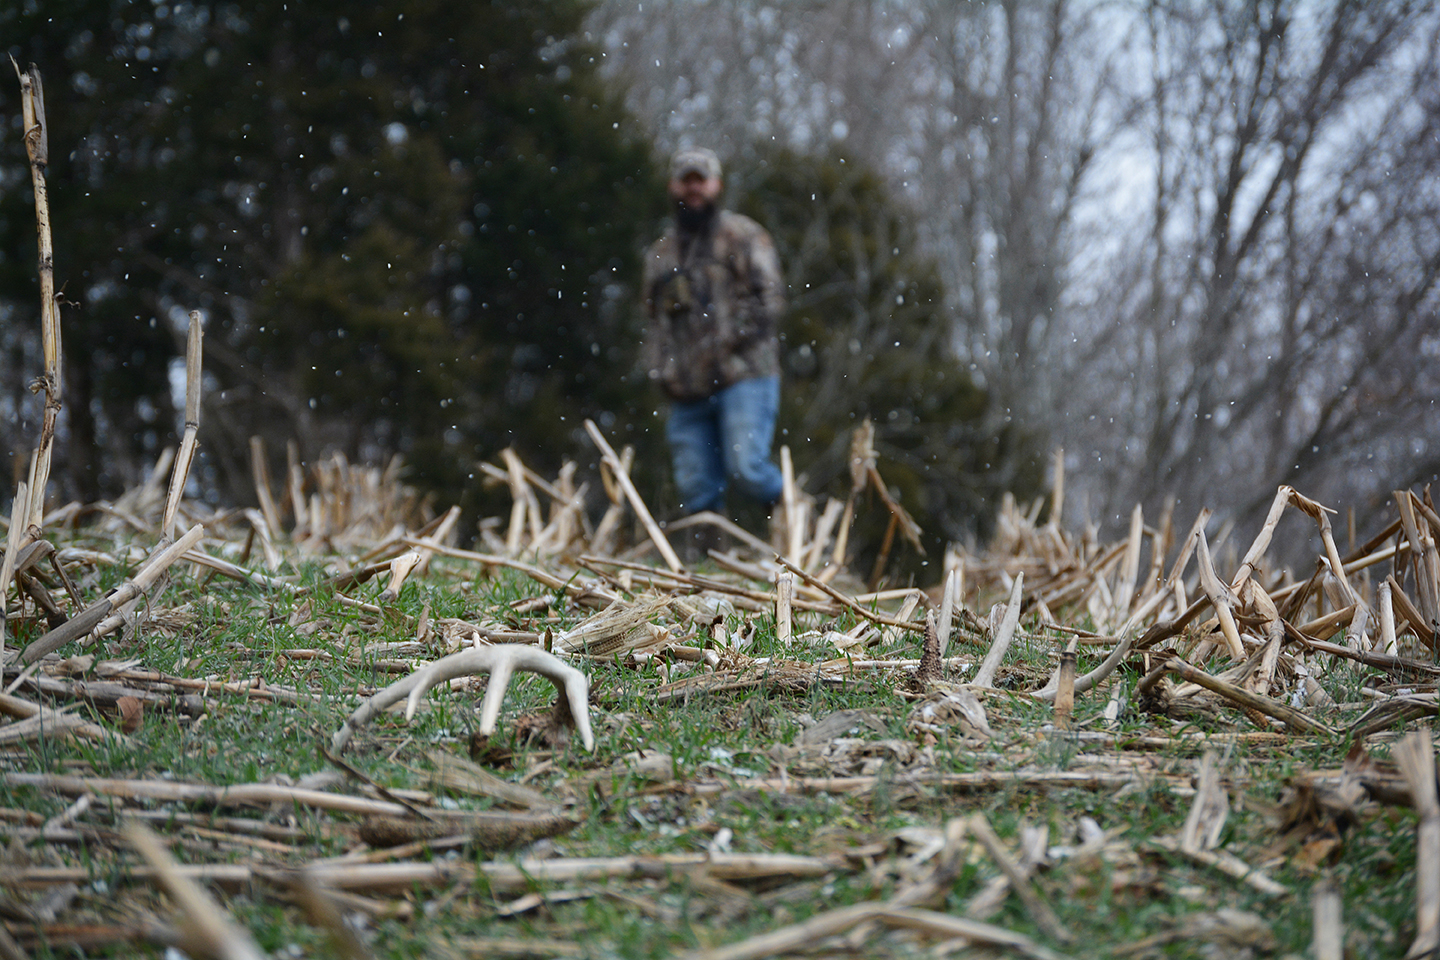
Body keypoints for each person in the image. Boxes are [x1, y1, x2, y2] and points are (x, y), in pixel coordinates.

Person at [642, 147, 785, 534]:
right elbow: (653, 321)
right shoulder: (660, 254)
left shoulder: (745, 236)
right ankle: (707, 570)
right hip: (687, 389)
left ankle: (793, 514)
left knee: (748, 469)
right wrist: (660, 369)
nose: (693, 188)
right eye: (686, 180)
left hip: (745, 376)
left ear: (716, 185)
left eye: (700, 180)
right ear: (673, 186)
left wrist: (724, 343)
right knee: (695, 490)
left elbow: (770, 301)